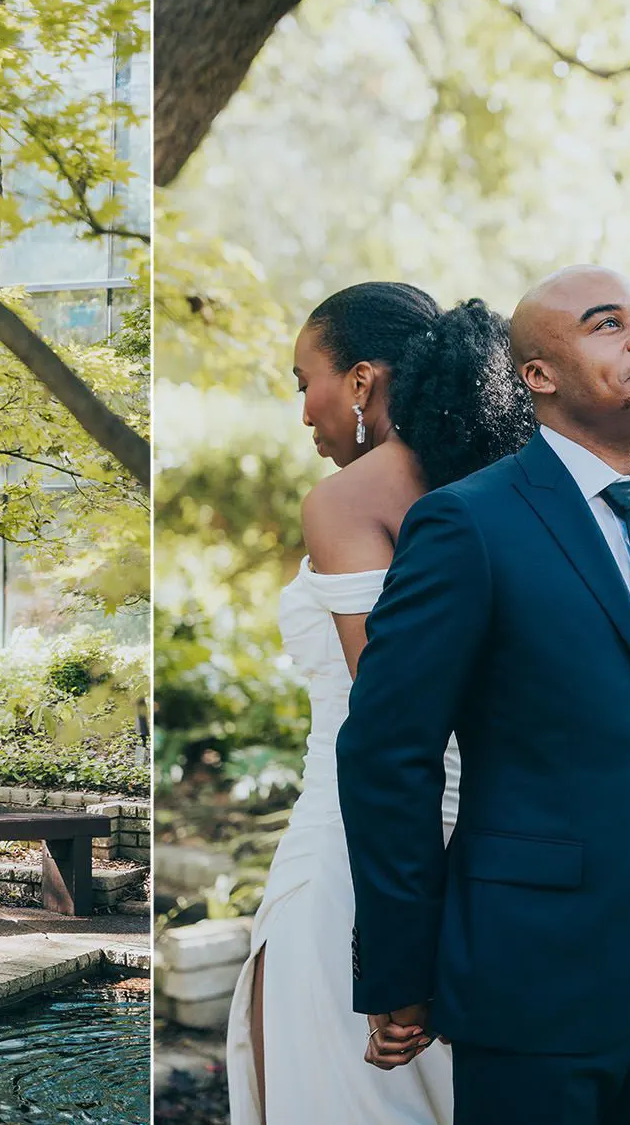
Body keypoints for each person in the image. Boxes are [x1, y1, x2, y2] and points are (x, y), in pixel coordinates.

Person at [339, 266, 630, 1125]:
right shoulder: (467, 523)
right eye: (605, 324)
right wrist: (402, 970)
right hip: (528, 982)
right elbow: (385, 753)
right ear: (536, 376)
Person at [226, 282, 536, 1125]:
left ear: (361, 382)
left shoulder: (349, 498)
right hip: (492, 841)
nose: (302, 413)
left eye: (303, 381)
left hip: (362, 846)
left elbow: (393, 717)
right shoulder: (508, 486)